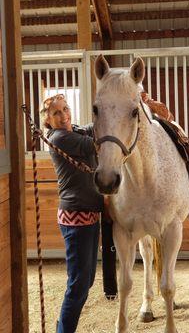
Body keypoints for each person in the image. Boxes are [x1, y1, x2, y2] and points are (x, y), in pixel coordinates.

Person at [40, 94, 104, 333]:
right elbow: (94, 141)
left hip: (88, 215)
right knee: (78, 285)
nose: (63, 115)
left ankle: (62, 327)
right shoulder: (60, 138)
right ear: (48, 120)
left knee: (85, 281)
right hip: (76, 219)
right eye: (56, 113)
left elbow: (91, 128)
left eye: (65, 109)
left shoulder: (74, 129)